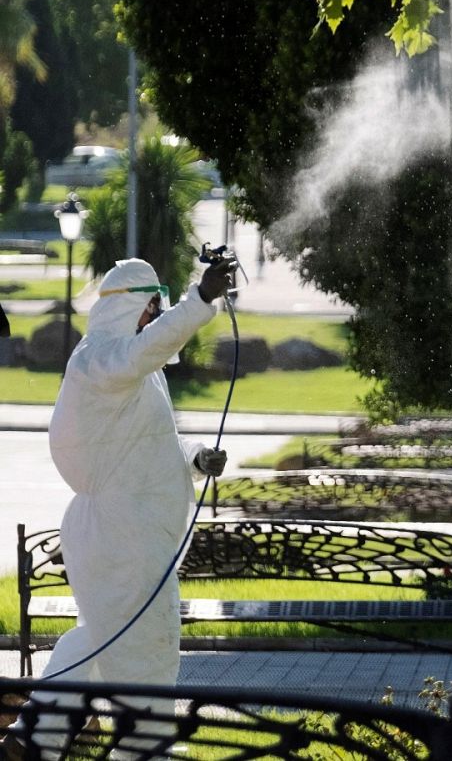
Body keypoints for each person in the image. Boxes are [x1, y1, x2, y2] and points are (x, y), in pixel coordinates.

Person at [3, 255, 237, 760]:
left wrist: (196, 459)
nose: (156, 316)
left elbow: (146, 448)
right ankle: (142, 752)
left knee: (98, 642)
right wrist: (200, 301)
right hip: (120, 538)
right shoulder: (102, 360)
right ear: (130, 305)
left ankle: (31, 740)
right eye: (153, 306)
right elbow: (147, 350)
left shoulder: (133, 372)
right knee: (148, 653)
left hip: (126, 536)